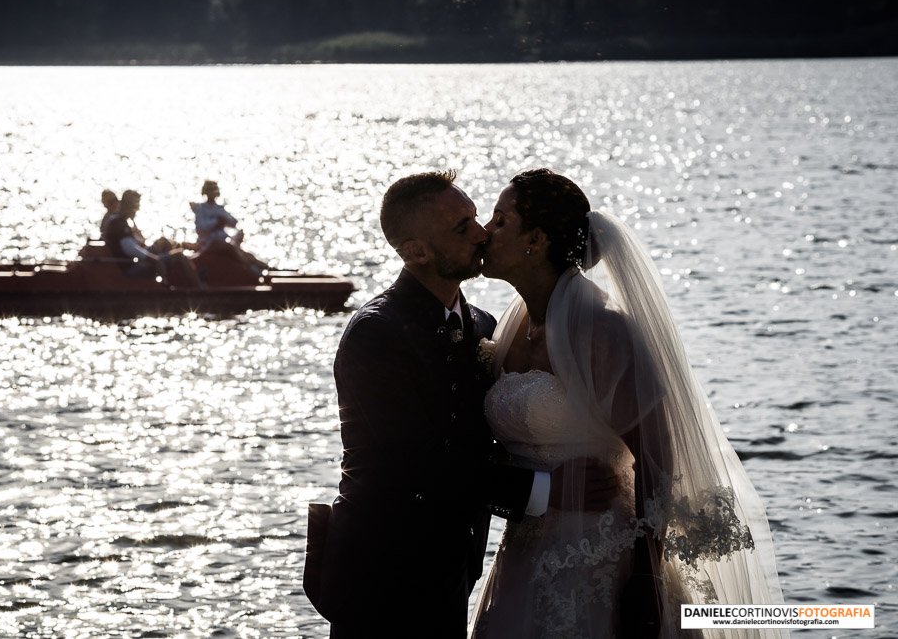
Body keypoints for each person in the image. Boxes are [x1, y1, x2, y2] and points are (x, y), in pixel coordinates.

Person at [469, 168, 787, 638]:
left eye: (499, 220)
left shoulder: (601, 329)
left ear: (534, 239)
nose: (484, 232)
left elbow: (659, 455)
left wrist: (646, 574)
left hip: (602, 555)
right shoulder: (510, 327)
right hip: (523, 552)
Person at [311, 171, 618, 639]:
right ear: (415, 251)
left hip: (455, 576)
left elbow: (490, 437)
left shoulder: (482, 324)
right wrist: (548, 491)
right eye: (461, 228)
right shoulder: (378, 334)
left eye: (477, 217)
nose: (480, 234)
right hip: (381, 578)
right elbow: (419, 462)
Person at [104, 189, 199, 286]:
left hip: (134, 263)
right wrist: (154, 259)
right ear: (129, 206)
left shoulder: (122, 222)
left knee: (164, 242)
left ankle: (173, 282)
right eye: (136, 207)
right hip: (131, 269)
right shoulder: (118, 224)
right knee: (179, 255)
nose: (137, 209)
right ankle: (199, 289)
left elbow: (134, 244)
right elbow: (129, 248)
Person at [191, 179, 242, 252]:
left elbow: (234, 222)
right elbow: (200, 228)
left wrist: (223, 219)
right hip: (205, 246)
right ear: (205, 192)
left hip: (222, 243)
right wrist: (216, 222)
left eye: (213, 190)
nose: (212, 193)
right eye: (209, 190)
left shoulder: (219, 209)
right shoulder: (201, 208)